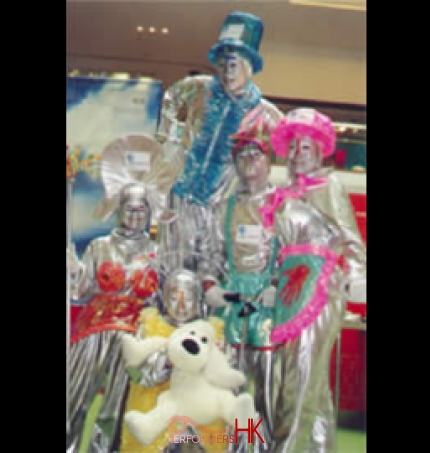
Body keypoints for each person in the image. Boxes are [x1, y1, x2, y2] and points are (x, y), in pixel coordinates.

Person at [201, 117, 347, 452]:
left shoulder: (286, 205)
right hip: (232, 310)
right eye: (242, 156)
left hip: (271, 312)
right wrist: (211, 285)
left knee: (271, 389)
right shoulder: (223, 208)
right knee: (230, 388)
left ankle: (263, 446)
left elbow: (302, 255)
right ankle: (238, 445)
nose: (249, 161)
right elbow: (211, 252)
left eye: (257, 155)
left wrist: (279, 287)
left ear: (270, 161)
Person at [66, 134, 174, 453]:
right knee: (73, 399)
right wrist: (74, 270)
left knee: (114, 410)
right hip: (92, 333)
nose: (135, 215)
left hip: (131, 341)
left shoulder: (157, 254)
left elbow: (159, 303)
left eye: (142, 210)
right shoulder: (100, 246)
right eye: (129, 208)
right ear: (119, 210)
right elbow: (82, 291)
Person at [156, 11, 283, 272]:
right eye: (223, 64)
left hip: (223, 201)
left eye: (234, 64)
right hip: (183, 192)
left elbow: (287, 141)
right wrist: (170, 140)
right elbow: (170, 98)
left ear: (248, 64)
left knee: (213, 264)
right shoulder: (199, 88)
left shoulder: (264, 112)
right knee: (174, 261)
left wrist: (261, 182)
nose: (227, 72)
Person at [118, 267, 228, 453]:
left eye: (189, 299)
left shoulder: (211, 332)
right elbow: (134, 370)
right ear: (165, 299)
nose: (182, 306)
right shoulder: (151, 326)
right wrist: (165, 363)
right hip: (153, 407)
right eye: (175, 298)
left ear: (199, 300)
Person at [269, 107, 366, 303]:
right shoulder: (283, 194)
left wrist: (357, 275)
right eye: (291, 147)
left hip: (319, 285)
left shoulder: (328, 186)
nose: (297, 154)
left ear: (320, 151)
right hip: (286, 286)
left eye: (305, 147)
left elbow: (349, 237)